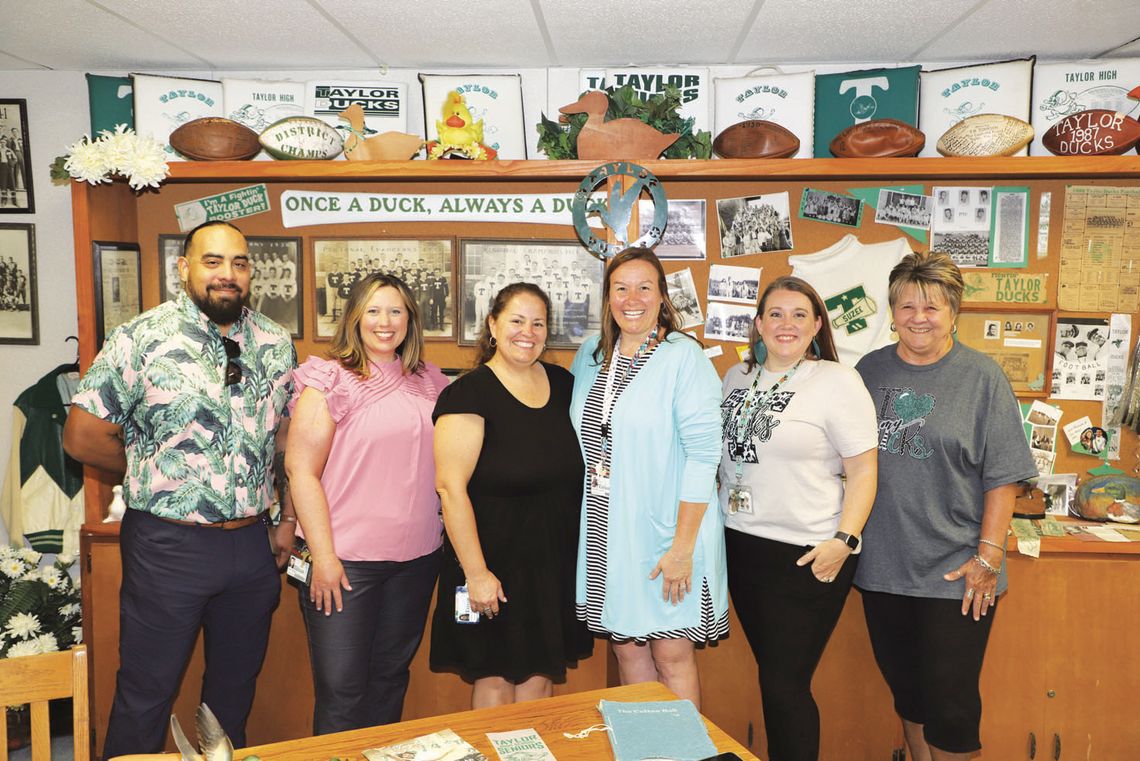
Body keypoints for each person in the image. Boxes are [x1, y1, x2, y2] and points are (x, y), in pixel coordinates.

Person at [63, 221, 296, 758]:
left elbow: (282, 437)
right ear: (184, 268)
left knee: (233, 696)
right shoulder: (142, 337)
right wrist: (154, 464)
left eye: (239, 263)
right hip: (169, 545)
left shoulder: (275, 342)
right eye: (213, 261)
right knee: (147, 692)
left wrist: (284, 517)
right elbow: (83, 434)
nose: (227, 274)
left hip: (250, 544)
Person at [854, 251, 1036, 760]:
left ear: (954, 312)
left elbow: (1003, 477)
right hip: (883, 569)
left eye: (932, 307)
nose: (918, 317)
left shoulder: (982, 378)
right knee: (909, 698)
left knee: (951, 708)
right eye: (907, 305)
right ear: (891, 311)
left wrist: (988, 557)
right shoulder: (868, 372)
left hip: (957, 572)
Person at [719, 276, 878, 761]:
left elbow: (864, 467)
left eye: (799, 315)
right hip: (742, 546)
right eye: (775, 314)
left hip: (808, 553)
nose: (786, 324)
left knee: (785, 683)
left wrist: (844, 540)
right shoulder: (736, 377)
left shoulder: (836, 380)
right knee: (775, 679)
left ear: (816, 325)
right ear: (758, 323)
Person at [284, 273, 449, 733]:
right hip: (345, 564)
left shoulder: (429, 383)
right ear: (354, 317)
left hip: (416, 562)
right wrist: (323, 556)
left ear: (411, 320)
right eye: (374, 310)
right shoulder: (329, 379)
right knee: (342, 691)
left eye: (396, 311)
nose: (385, 321)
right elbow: (301, 471)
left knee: (389, 681)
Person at [570, 248, 727, 708]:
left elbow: (703, 456)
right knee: (627, 651)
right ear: (608, 297)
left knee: (672, 655)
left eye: (644, 287)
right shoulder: (591, 354)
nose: (631, 298)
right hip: (608, 531)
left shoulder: (684, 357)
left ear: (662, 296)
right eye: (620, 288)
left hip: (667, 532)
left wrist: (681, 548)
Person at [430, 282, 592, 708]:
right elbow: (450, 489)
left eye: (538, 323)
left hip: (551, 565)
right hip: (491, 565)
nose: (528, 332)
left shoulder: (564, 386)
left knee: (540, 679)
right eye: (516, 321)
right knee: (495, 678)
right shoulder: (468, 394)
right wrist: (477, 573)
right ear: (493, 326)